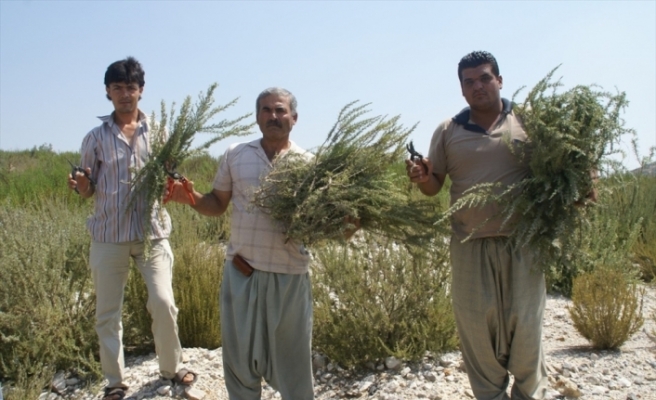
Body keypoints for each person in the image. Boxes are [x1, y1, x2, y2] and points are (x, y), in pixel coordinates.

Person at [406, 51, 549, 400]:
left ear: (499, 80)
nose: (478, 86)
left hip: (524, 244)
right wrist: (422, 177)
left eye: (485, 78)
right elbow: (433, 185)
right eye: (469, 82)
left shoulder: (532, 123)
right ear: (461, 90)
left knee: (527, 333)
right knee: (477, 335)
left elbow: (561, 171)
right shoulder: (448, 130)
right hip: (470, 246)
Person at [167, 87, 317, 400]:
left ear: (294, 118)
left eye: (280, 110)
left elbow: (322, 224)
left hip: (289, 276)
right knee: (239, 363)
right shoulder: (236, 154)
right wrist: (190, 198)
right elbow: (217, 203)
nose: (273, 116)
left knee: (294, 364)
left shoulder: (309, 165)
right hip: (242, 273)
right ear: (257, 116)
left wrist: (353, 220)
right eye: (266, 110)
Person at [67, 57, 196, 400]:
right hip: (108, 236)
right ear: (108, 92)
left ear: (141, 91)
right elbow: (88, 188)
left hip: (151, 233)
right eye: (118, 88)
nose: (125, 94)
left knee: (164, 301)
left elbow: (171, 176)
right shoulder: (94, 138)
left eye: (131, 88)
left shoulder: (161, 133)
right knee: (108, 313)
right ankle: (115, 382)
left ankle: (173, 368)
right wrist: (80, 185)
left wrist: (179, 186)